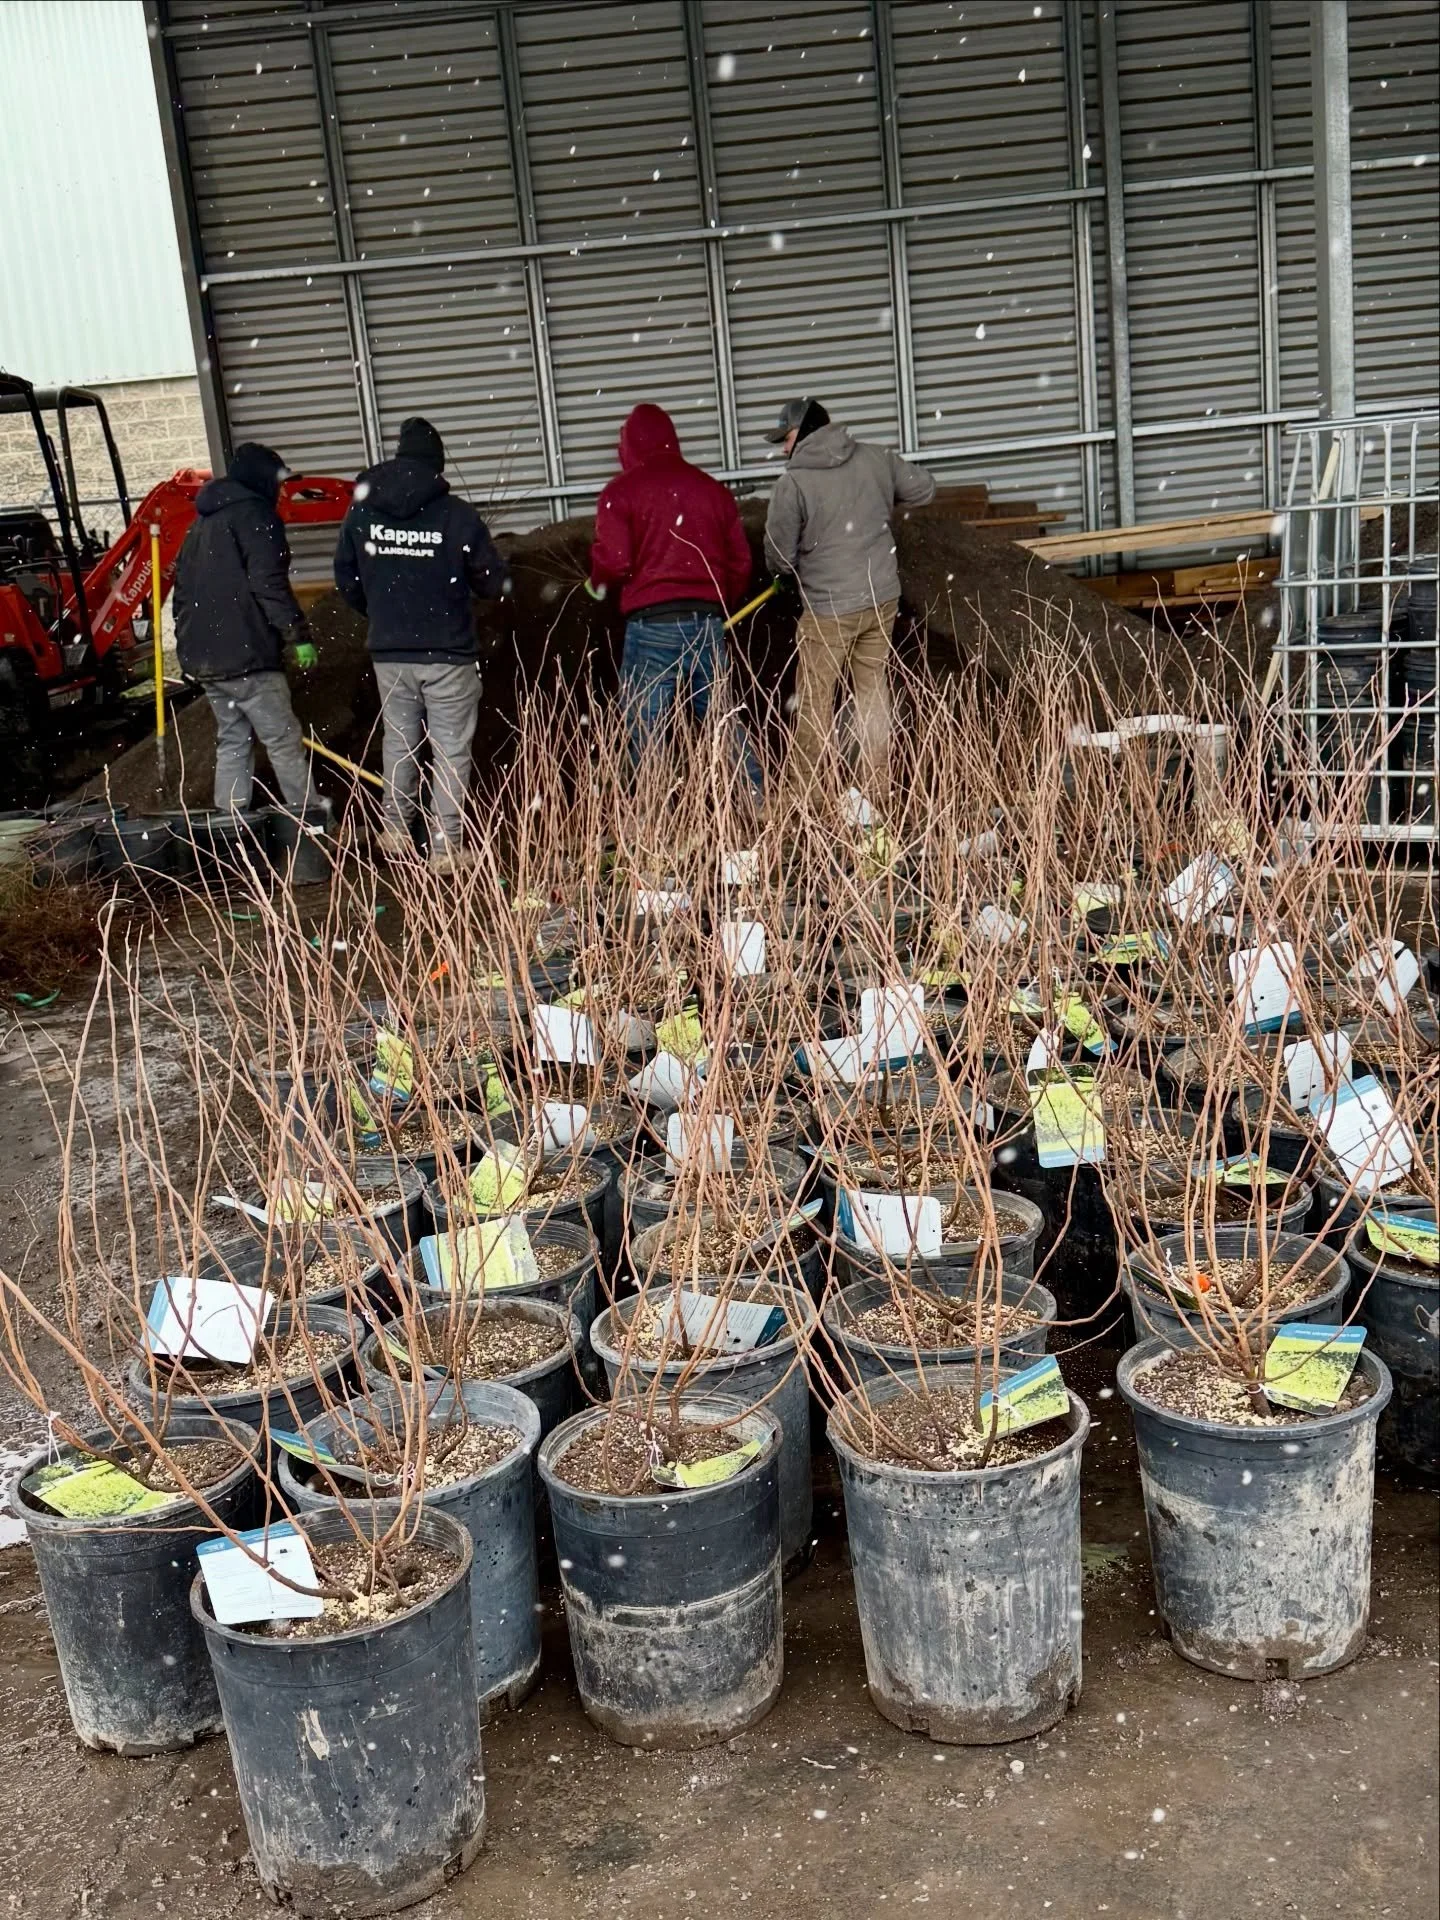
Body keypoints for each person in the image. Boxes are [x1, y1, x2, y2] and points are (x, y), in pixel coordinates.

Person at [334, 416, 508, 872]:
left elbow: (346, 579)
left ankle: (395, 832)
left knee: (400, 740)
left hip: (390, 653)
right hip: (448, 652)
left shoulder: (362, 512)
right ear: (437, 463)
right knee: (450, 748)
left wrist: (384, 615)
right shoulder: (457, 516)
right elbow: (491, 582)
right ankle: (445, 849)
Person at [762, 397, 935, 799]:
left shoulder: (793, 484)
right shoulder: (877, 458)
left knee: (814, 699)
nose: (784, 449)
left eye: (786, 438)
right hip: (881, 598)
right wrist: (876, 495)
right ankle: (875, 787)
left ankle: (807, 793)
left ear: (805, 432)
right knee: (872, 690)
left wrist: (783, 575)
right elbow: (924, 489)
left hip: (829, 609)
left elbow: (779, 555)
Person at [586, 403, 760, 787]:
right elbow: (740, 563)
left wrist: (595, 583)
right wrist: (719, 606)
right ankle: (756, 801)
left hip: (651, 624)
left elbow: (615, 562)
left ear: (629, 446)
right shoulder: (712, 490)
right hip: (707, 623)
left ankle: (655, 813)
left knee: (645, 725)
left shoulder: (620, 493)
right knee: (721, 718)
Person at [173, 443, 318, 815]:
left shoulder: (200, 524)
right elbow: (269, 584)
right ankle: (313, 826)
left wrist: (190, 646)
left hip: (206, 658)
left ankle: (231, 829)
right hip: (248, 658)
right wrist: (297, 635)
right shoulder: (257, 517)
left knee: (233, 741)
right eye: (279, 483)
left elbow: (181, 593)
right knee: (283, 742)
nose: (282, 492)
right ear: (261, 480)